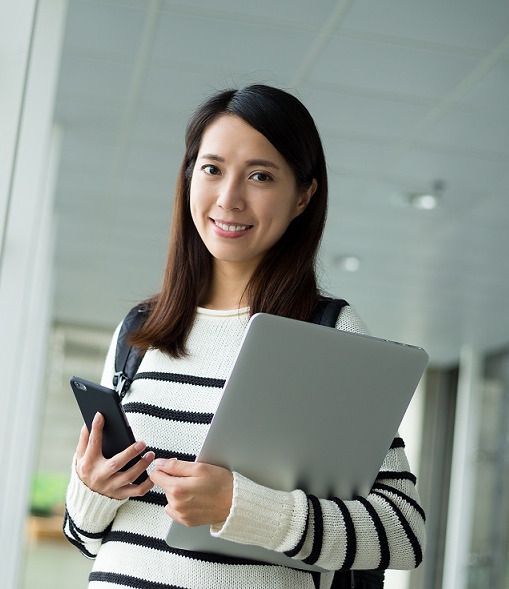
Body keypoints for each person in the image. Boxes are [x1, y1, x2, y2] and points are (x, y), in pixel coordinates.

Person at [63, 84, 425, 588]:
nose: (229, 199)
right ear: (189, 177)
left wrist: (240, 505)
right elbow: (85, 537)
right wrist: (93, 490)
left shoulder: (326, 331)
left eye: (260, 176)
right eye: (212, 169)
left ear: (303, 196)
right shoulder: (139, 331)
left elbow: (402, 532)